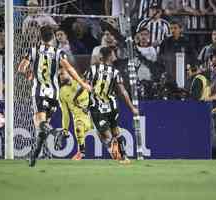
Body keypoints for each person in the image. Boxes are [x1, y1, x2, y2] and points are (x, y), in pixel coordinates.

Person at [17, 25, 91, 167]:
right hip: (54, 94)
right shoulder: (59, 53)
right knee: (42, 129)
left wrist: (29, 74)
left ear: (40, 37)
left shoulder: (33, 51)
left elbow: (21, 68)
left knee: (40, 124)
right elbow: (69, 69)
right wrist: (83, 83)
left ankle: (56, 133)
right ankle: (33, 158)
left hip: (39, 92)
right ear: (53, 38)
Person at [84, 46, 139, 164]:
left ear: (101, 56)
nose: (115, 55)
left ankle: (110, 144)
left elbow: (84, 86)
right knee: (116, 131)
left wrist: (80, 101)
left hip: (97, 106)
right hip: (112, 105)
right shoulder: (115, 72)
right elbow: (123, 92)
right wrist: (132, 108)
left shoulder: (92, 69)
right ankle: (124, 157)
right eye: (113, 53)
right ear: (109, 56)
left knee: (103, 134)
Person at [58, 68, 93, 160]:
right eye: (59, 75)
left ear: (69, 73)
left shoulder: (79, 82)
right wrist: (65, 130)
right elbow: (65, 114)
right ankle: (81, 152)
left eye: (62, 73)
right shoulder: (61, 92)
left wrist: (89, 106)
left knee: (105, 136)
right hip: (79, 116)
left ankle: (118, 151)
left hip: (93, 112)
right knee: (78, 128)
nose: (60, 76)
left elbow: (92, 92)